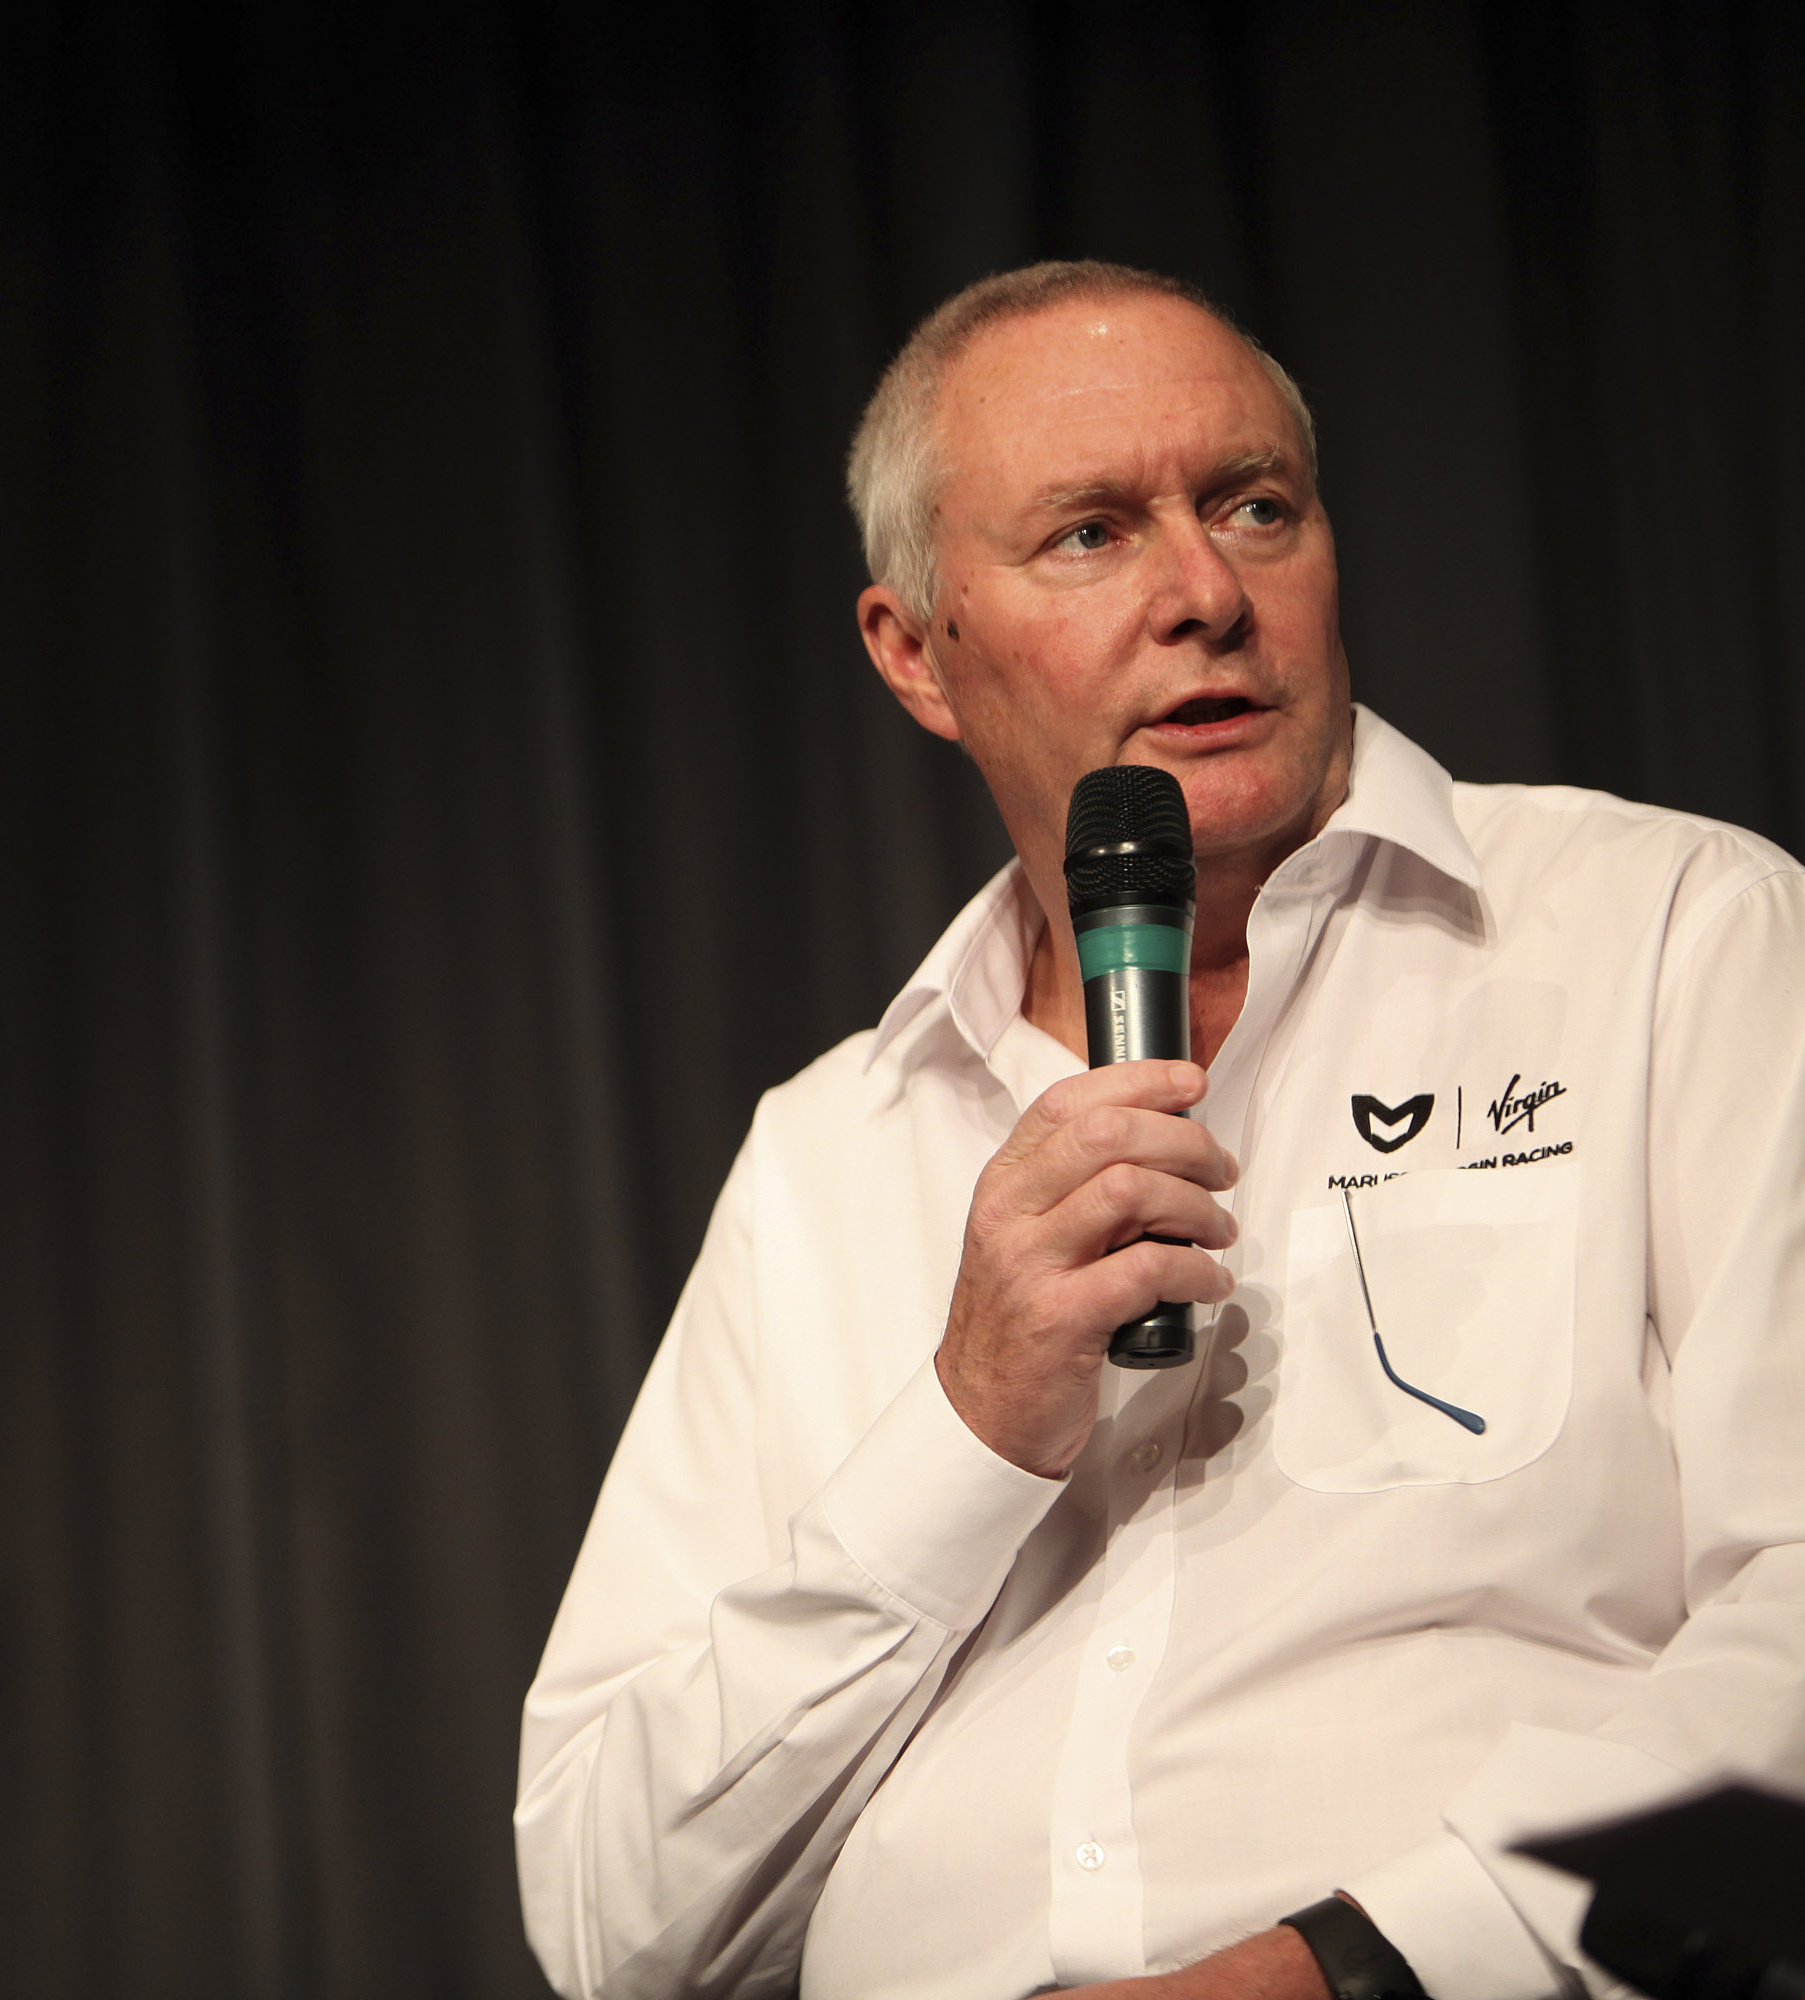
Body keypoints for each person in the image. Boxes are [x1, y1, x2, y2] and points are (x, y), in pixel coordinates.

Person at [513, 262, 1805, 1999]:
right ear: (917, 654)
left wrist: (1345, 1972)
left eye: (1256, 506)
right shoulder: (827, 1154)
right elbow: (607, 1920)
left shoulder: (1674, 936)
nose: (1206, 593)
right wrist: (967, 1428)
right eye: (1090, 534)